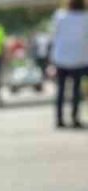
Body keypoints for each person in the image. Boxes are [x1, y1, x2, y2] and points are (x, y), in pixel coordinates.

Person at [51, 0, 88, 128]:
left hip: (61, 57)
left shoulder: (60, 16)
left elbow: (54, 34)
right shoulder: (85, 18)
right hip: (79, 58)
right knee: (76, 90)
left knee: (61, 90)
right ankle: (75, 118)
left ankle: (59, 119)